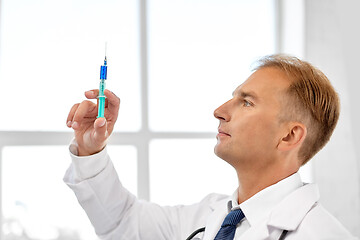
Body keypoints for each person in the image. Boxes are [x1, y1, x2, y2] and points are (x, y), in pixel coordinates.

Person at [64, 54, 358, 240]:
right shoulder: (208, 218)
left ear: (289, 136)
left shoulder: (321, 234)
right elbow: (122, 223)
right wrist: (90, 149)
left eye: (246, 101)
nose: (219, 110)